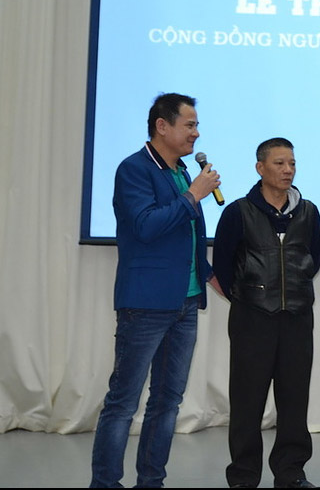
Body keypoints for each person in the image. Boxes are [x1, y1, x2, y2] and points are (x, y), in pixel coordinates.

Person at [90, 92, 222, 488]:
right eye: (190, 125)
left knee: (167, 402)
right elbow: (146, 226)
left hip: (186, 303)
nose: (196, 133)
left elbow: (188, 237)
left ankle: (151, 481)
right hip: (146, 304)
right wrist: (193, 195)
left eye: (197, 125)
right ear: (162, 126)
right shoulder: (134, 169)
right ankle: (105, 483)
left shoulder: (182, 171)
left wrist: (211, 276)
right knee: (123, 402)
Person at [212, 137, 320, 489]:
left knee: (294, 400)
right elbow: (223, 266)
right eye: (279, 163)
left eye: (292, 163)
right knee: (247, 401)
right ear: (260, 168)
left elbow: (313, 259)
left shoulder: (309, 212)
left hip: (297, 319)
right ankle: (244, 476)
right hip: (252, 319)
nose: (288, 170)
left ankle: (291, 473)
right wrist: (250, 297)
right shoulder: (238, 212)